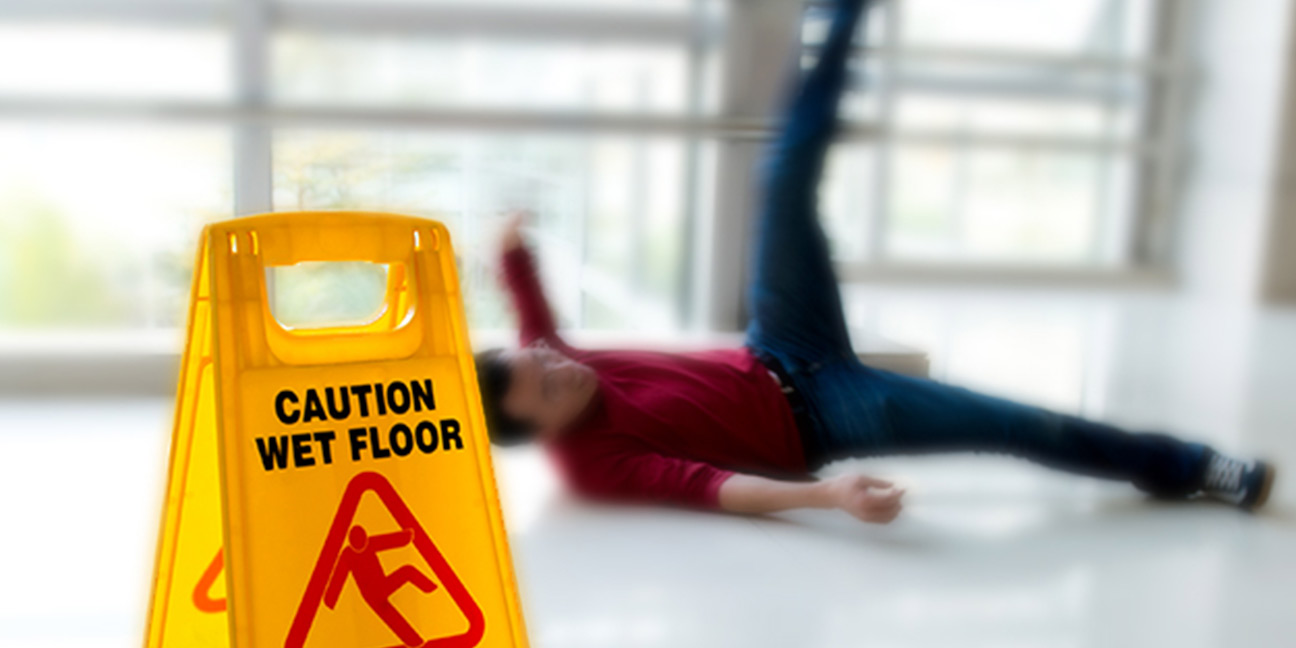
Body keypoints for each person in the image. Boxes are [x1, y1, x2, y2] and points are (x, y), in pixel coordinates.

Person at [474, 0, 1275, 524]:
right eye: (546, 385)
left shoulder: (550, 361)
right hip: (828, 414)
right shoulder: (591, 465)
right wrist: (830, 494)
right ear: (539, 430)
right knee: (1018, 425)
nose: (557, 364)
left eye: (540, 357)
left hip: (779, 346)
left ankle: (839, 16)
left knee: (782, 179)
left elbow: (526, 300)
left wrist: (507, 243)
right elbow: (714, 489)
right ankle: (1192, 467)